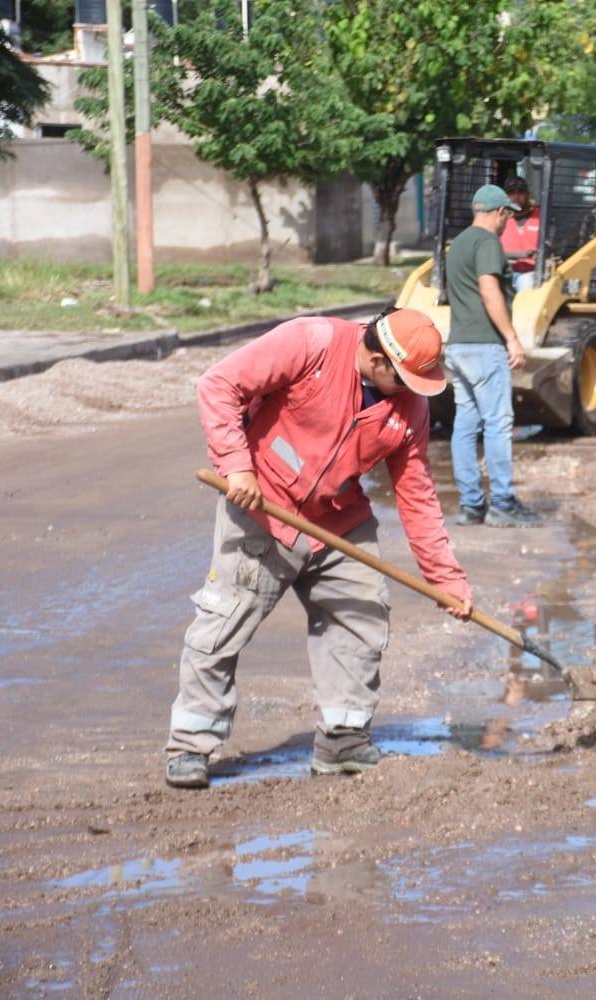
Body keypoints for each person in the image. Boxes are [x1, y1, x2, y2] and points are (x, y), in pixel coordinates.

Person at [164, 308, 473, 790]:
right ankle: (191, 744)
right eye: (407, 379)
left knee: (361, 613)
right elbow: (218, 385)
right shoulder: (311, 342)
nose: (414, 391)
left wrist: (446, 580)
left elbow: (417, 495)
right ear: (376, 358)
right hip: (263, 505)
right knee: (223, 621)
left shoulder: (410, 406)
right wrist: (236, 466)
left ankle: (343, 739)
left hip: (337, 517)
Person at [444, 183, 541, 527]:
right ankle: (502, 503)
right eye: (507, 217)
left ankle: (472, 506)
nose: (508, 224)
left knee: (466, 426)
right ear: (499, 212)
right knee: (498, 425)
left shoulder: (456, 246)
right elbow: (489, 290)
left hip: (457, 347)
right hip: (485, 346)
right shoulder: (487, 242)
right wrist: (511, 338)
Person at [500, 176, 541, 291]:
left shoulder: (541, 217)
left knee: (525, 281)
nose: (516, 196)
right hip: (506, 272)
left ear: (527, 194)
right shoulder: (499, 218)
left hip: (534, 273)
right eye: (511, 192)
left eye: (521, 192)